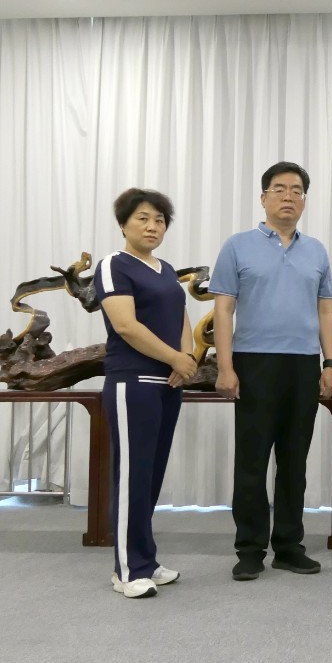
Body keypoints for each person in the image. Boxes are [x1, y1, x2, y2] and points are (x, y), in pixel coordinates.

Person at [211, 162, 332, 582]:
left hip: (302, 364)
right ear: (263, 197)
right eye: (279, 189)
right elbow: (224, 310)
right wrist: (225, 367)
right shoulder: (237, 246)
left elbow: (325, 310)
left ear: (304, 200)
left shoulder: (316, 250)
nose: (288, 196)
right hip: (254, 362)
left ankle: (288, 546)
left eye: (297, 190)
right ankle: (249, 549)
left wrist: (330, 363)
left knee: (294, 460)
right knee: (251, 460)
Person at [94, 188, 196, 599]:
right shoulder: (113, 265)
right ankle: (126, 569)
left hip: (169, 385)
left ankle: (146, 560)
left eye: (159, 220)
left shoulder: (165, 269)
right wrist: (175, 358)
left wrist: (187, 358)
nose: (152, 226)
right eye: (142, 218)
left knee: (150, 476)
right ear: (123, 224)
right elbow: (126, 326)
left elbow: (182, 316)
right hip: (132, 382)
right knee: (131, 476)